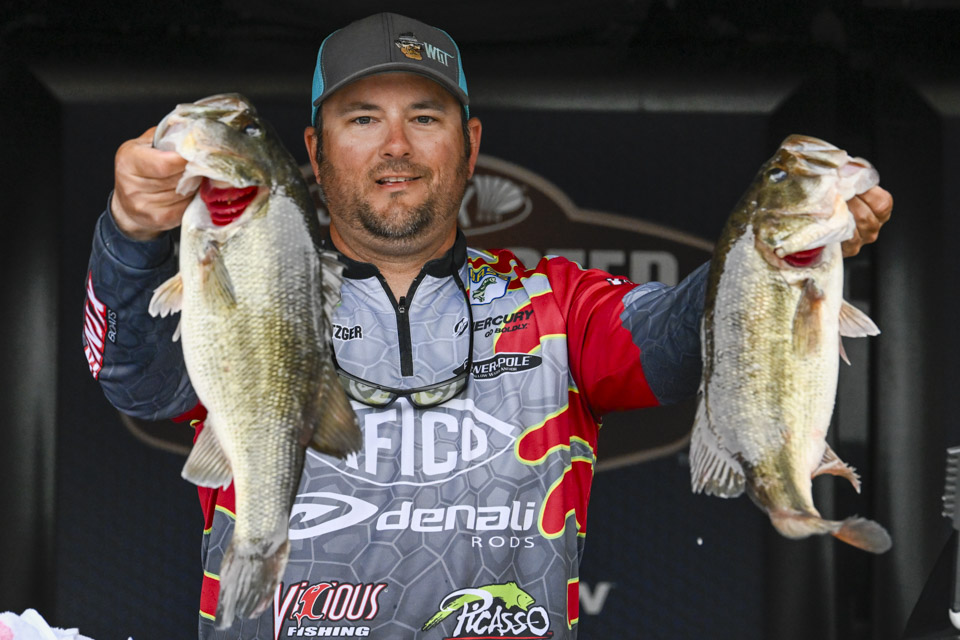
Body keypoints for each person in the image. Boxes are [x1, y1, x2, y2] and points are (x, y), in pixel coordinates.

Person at [82, 12, 893, 640]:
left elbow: (686, 342)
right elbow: (133, 377)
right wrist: (131, 231)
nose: (395, 146)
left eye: (424, 117)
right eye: (361, 118)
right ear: (315, 150)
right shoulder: (258, 294)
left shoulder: (559, 305)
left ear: (469, 145)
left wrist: (784, 249)